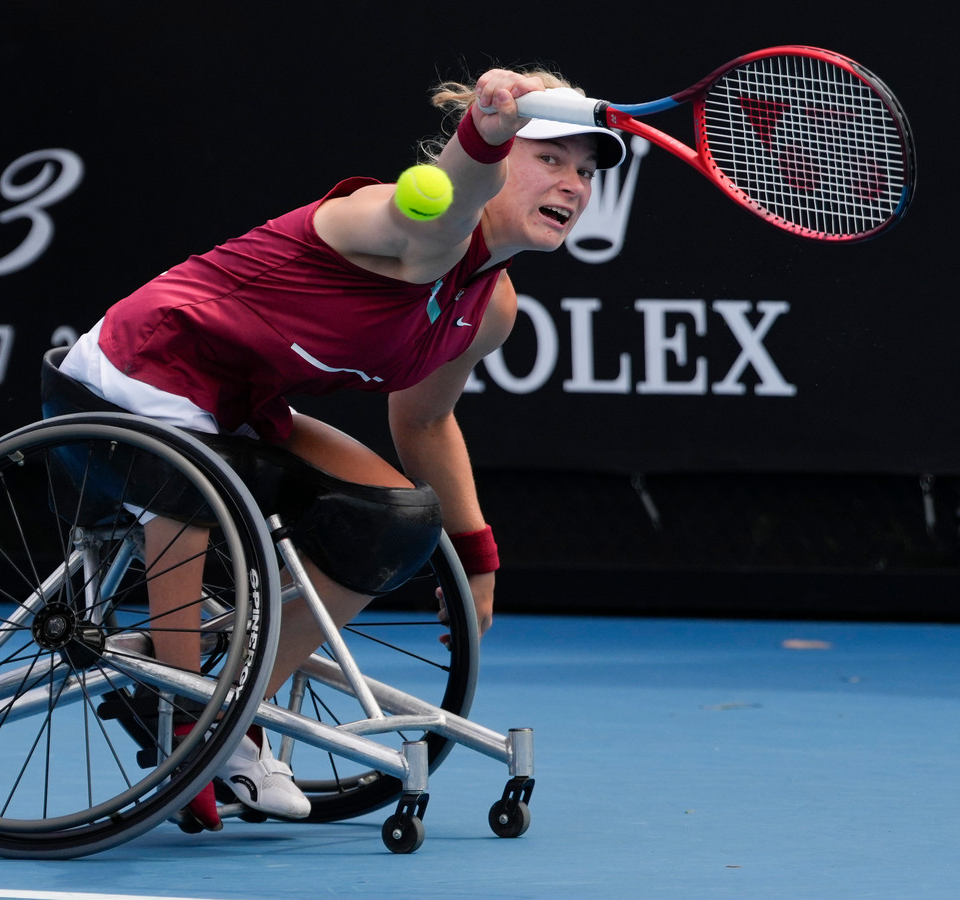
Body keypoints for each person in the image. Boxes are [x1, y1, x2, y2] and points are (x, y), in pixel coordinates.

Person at [51, 67, 626, 829]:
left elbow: (424, 422)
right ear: (494, 159)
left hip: (237, 405)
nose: (572, 185)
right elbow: (448, 209)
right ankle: (188, 724)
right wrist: (482, 134)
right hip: (139, 366)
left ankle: (231, 714)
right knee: (197, 479)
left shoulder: (489, 306)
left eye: (584, 171)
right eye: (548, 158)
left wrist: (475, 555)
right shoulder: (394, 219)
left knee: (391, 520)